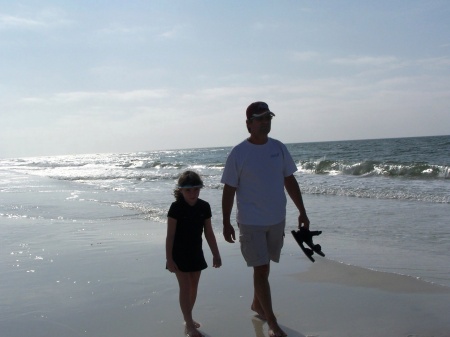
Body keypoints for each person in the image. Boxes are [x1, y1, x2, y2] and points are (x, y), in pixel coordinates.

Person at [221, 102, 310, 337]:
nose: (265, 122)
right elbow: (229, 189)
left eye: (268, 117)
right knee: (260, 268)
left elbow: (289, 180)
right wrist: (226, 221)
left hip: (276, 219)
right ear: (249, 124)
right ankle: (272, 322)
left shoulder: (278, 148)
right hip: (250, 222)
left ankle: (256, 304)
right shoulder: (239, 153)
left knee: (265, 267)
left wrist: (302, 210)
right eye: (259, 118)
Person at [166, 171, 222, 337]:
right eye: (188, 190)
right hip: (179, 253)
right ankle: (189, 324)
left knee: (193, 286)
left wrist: (216, 254)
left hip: (196, 251)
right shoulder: (176, 208)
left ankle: (188, 319)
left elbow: (209, 233)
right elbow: (170, 235)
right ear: (181, 190)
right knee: (184, 287)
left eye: (196, 189)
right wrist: (169, 259)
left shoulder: (204, 206)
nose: (192, 193)